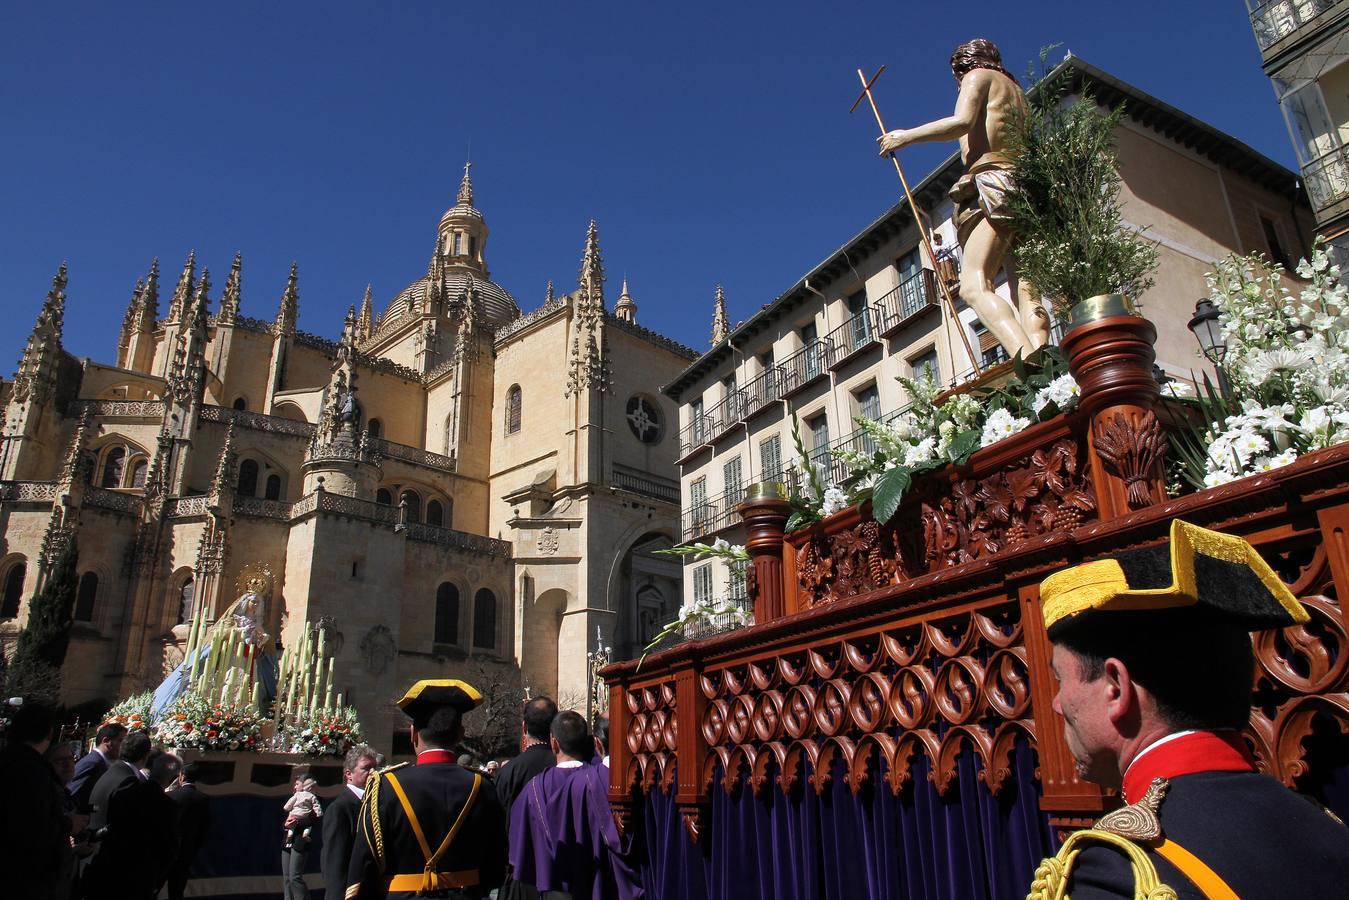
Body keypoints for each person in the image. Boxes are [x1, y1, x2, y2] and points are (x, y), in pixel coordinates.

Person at [1029, 519, 1349, 898]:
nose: (1057, 704)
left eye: (1061, 680)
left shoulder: (1123, 870)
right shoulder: (1327, 827)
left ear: (1116, 687)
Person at [877, 38, 1050, 360]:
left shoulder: (978, 77)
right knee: (1026, 288)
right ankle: (1043, 351)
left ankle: (1027, 360)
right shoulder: (1018, 94)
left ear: (960, 69)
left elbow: (962, 123)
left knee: (973, 285)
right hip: (1025, 186)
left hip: (994, 182)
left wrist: (905, 137)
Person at [345, 679, 508, 898]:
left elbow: (363, 868)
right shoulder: (482, 786)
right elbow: (496, 866)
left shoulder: (385, 786)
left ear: (413, 734)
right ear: (461, 733)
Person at [508, 711, 643, 900]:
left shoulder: (545, 788)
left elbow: (523, 843)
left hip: (565, 885)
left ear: (554, 742)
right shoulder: (640, 780)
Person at [83, 750, 183, 899]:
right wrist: (155, 881)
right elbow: (169, 849)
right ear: (175, 778)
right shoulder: (168, 807)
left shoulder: (127, 792)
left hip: (109, 870)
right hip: (139, 879)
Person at [0, 702, 73, 900]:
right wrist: (68, 825)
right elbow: (34, 830)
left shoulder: (10, 761)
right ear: (49, 734)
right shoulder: (33, 772)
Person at [496, 697, 558, 900]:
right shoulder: (565, 767)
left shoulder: (509, 771)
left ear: (524, 727)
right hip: (561, 873)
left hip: (520, 875)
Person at [321, 745, 378, 900]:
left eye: (375, 767)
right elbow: (335, 862)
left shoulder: (374, 803)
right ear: (349, 774)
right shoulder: (340, 808)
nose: (373, 772)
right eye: (366, 768)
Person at [88, 729, 152, 831]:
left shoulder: (113, 771)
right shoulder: (128, 781)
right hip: (107, 843)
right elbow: (125, 822)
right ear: (146, 756)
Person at [167, 761, 212, 900]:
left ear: (182, 776)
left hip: (168, 848)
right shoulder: (203, 799)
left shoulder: (172, 796)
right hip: (188, 849)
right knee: (177, 888)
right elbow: (205, 826)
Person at [68, 722, 126, 814]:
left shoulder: (101, 763)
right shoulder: (92, 762)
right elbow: (71, 795)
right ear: (106, 741)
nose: (124, 746)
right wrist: (98, 808)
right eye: (120, 741)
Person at [281, 773, 321, 900]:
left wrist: (296, 822)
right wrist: (286, 825)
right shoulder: (294, 800)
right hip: (288, 839)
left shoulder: (311, 801)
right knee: (287, 878)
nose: (295, 786)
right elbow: (287, 820)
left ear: (305, 785)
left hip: (300, 841)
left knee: (295, 877)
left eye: (298, 784)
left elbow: (313, 820)